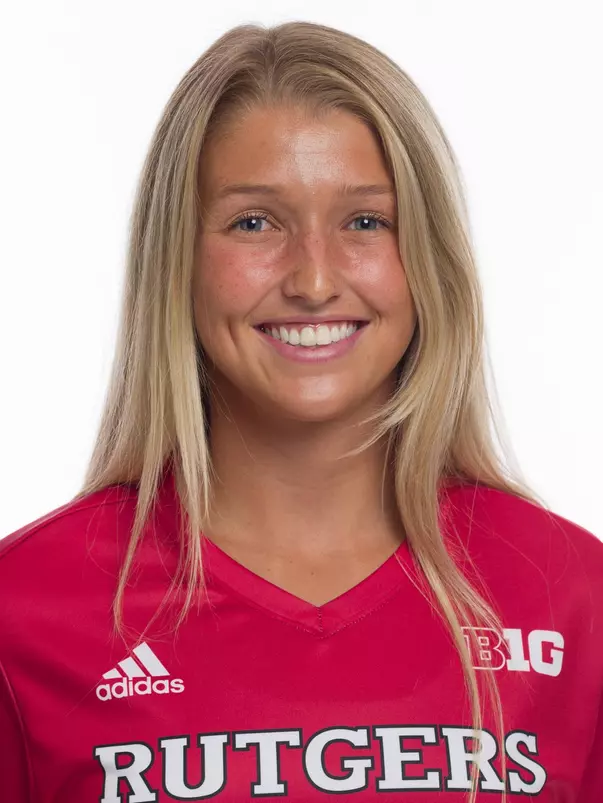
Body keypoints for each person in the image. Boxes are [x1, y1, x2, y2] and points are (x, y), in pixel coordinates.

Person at [0, 20, 601, 803]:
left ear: (428, 257)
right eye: (255, 222)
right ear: (176, 260)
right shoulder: (25, 608)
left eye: (364, 222)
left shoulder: (572, 597)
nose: (313, 280)